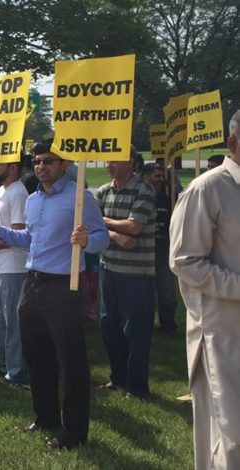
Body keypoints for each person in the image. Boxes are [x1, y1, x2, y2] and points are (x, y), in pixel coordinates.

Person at [0, 140, 109, 449]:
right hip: (33, 282)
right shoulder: (34, 199)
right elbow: (28, 239)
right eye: (37, 161)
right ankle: (46, 417)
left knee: (71, 360)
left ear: (64, 164)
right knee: (36, 354)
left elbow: (102, 237)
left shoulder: (79, 198)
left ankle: (75, 432)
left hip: (64, 285)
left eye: (49, 161)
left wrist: (87, 239)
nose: (41, 166)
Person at [170, 110, 240, 470]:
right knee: (230, 438)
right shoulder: (207, 189)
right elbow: (184, 260)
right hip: (222, 335)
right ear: (233, 143)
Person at [96, 148, 157, 399]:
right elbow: (92, 224)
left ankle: (137, 386)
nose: (108, 163)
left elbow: (135, 226)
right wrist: (116, 235)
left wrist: (103, 221)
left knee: (136, 330)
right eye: (107, 159)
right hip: (108, 267)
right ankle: (117, 377)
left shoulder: (144, 190)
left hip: (137, 273)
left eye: (114, 159)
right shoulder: (103, 191)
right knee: (109, 325)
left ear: (131, 162)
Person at [0, 158, 29, 387]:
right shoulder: (0, 190)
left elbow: (19, 233)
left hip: (13, 266)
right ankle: (5, 366)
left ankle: (18, 372)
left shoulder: (18, 193)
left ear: (13, 167)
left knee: (13, 322)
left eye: (0, 163)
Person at [141, 163, 178, 336]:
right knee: (143, 292)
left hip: (164, 250)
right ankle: (144, 324)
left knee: (167, 290)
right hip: (142, 251)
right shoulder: (138, 198)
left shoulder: (168, 198)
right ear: (145, 177)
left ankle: (168, 324)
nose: (161, 180)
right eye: (157, 176)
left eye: (162, 176)